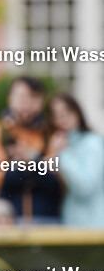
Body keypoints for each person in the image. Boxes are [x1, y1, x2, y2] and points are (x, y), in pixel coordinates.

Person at [0, 76, 61, 222]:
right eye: (21, 96)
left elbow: (58, 180)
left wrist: (30, 160)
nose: (26, 103)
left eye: (33, 97)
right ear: (10, 98)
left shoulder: (52, 134)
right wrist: (36, 164)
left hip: (48, 218)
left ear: (41, 102)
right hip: (7, 220)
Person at [47, 92, 104, 226]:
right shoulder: (64, 144)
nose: (62, 119)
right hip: (71, 224)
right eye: (56, 115)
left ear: (77, 112)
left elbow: (84, 187)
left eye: (67, 112)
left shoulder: (92, 144)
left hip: (93, 227)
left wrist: (63, 153)